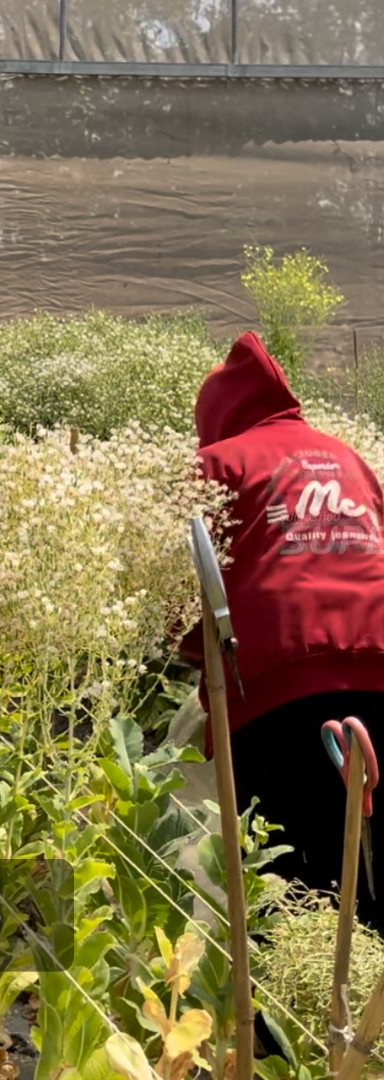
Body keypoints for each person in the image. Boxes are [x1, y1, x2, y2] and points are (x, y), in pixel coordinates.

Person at [180, 331, 384, 930]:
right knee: (371, 844)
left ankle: (300, 1004)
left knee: (290, 867)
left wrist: (193, 654)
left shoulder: (217, 463)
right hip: (379, 667)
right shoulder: (345, 454)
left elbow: (183, 601)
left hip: (275, 688)